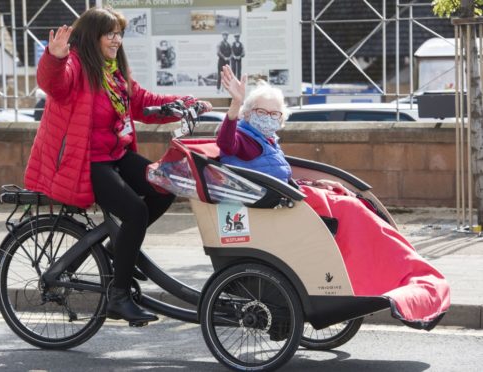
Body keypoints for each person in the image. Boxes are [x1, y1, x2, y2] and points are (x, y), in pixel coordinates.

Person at [216, 64, 449, 328]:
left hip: (288, 198)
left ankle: (403, 272)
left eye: (274, 113)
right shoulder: (244, 138)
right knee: (352, 211)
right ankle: (397, 275)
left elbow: (278, 174)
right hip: (278, 205)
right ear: (248, 114)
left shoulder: (267, 140)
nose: (268, 117)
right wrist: (235, 103)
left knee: (354, 204)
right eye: (261, 112)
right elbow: (225, 143)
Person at [24, 7, 211, 325]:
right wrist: (54, 58)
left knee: (164, 186)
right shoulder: (76, 68)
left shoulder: (114, 73)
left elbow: (143, 102)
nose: (117, 40)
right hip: (86, 162)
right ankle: (118, 297)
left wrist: (186, 104)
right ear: (92, 37)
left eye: (119, 33)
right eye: (109, 34)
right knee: (136, 212)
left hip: (115, 156)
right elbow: (53, 84)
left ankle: (119, 248)